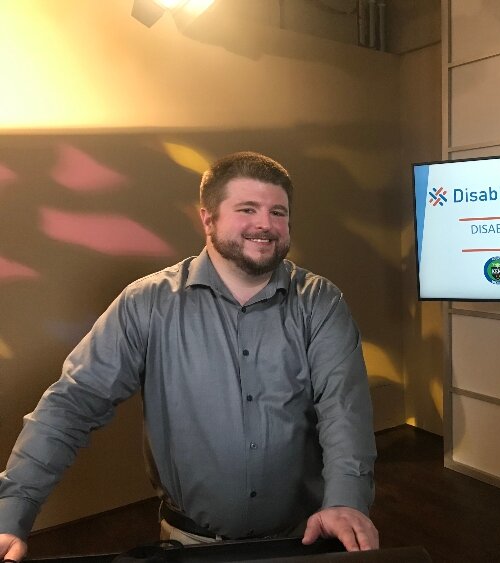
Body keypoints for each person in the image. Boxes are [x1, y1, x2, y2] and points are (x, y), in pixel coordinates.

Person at [0, 151, 378, 561]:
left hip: (300, 536)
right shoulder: (146, 303)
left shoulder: (320, 301)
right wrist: (10, 513)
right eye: (247, 209)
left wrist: (346, 499)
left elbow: (343, 408)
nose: (266, 225)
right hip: (189, 543)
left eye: (278, 212)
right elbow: (71, 405)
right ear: (208, 218)